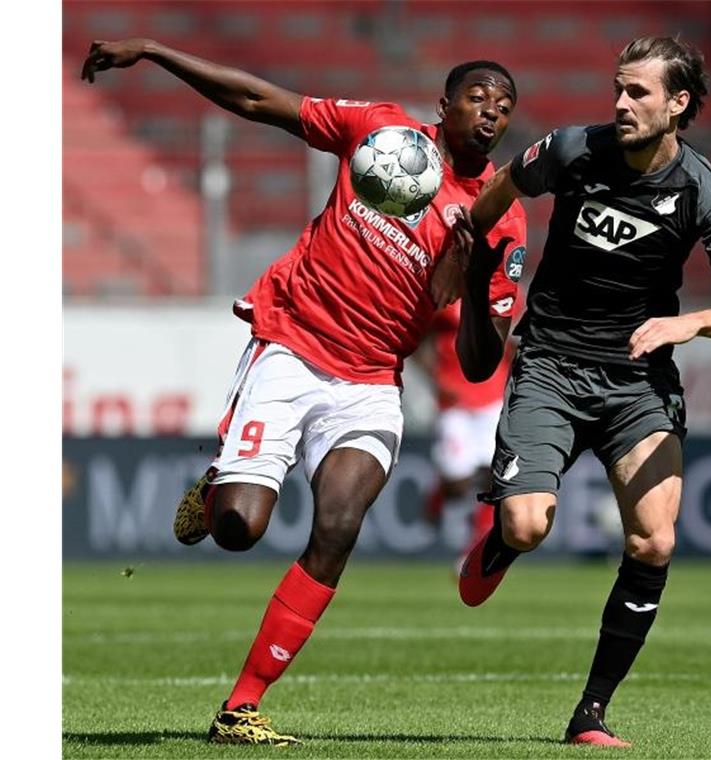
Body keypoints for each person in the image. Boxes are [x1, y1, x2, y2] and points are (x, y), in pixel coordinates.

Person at [80, 38, 525, 744]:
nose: (490, 115)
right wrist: (156, 52)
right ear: (443, 108)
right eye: (477, 99)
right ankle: (221, 481)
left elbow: (479, 363)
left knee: (339, 527)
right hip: (292, 346)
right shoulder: (379, 132)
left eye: (503, 108)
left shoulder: (500, 218)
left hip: (373, 379)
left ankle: (241, 706)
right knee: (238, 528)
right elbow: (260, 100)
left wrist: (472, 279)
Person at [452, 36, 711, 747]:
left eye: (639, 94)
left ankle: (590, 714)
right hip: (553, 367)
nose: (621, 104)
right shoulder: (573, 151)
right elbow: (501, 188)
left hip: (637, 381)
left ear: (677, 105)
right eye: (618, 90)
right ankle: (503, 542)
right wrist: (475, 259)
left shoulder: (705, 192)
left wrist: (683, 326)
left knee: (654, 539)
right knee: (529, 524)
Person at [421, 295, 517, 568]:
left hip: (492, 398)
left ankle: (473, 551)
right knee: (457, 481)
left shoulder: (507, 293)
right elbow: (421, 340)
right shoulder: (448, 294)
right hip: (455, 400)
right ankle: (439, 495)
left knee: (494, 479)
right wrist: (435, 379)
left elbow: (513, 342)